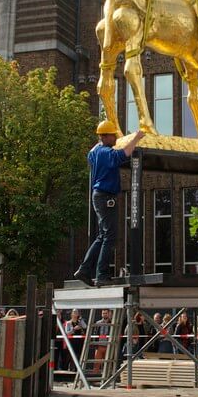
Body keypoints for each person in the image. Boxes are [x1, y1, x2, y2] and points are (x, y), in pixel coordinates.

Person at [72, 121, 145, 286]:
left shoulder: (95, 151)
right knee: (110, 236)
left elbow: (92, 152)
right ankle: (102, 274)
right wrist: (136, 138)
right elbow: (123, 155)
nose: (115, 138)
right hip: (106, 197)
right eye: (112, 135)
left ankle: (84, 270)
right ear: (105, 136)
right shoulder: (105, 152)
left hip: (99, 196)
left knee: (103, 235)